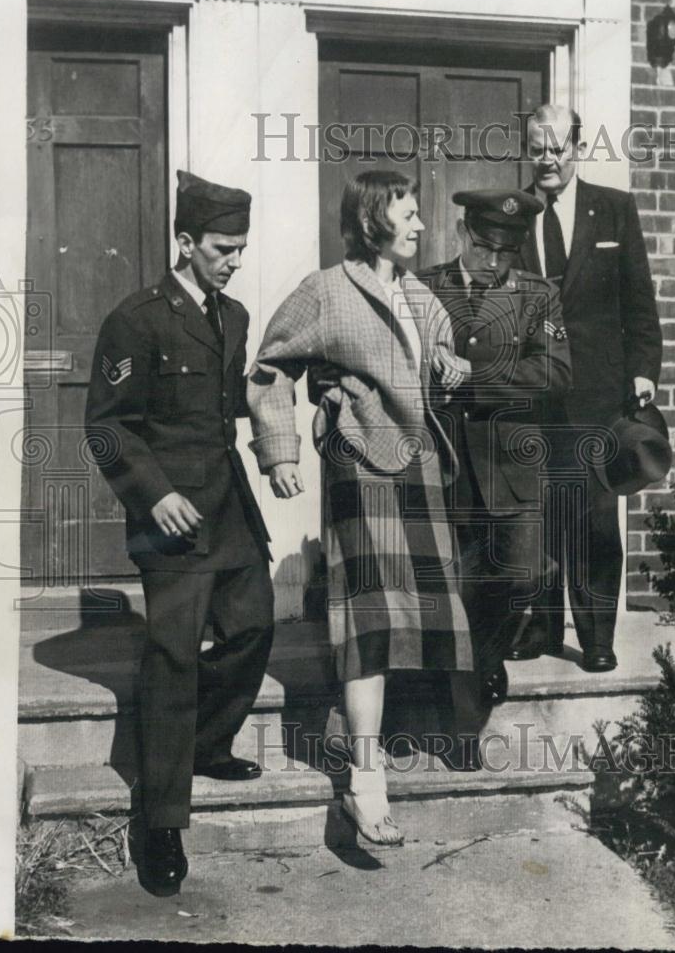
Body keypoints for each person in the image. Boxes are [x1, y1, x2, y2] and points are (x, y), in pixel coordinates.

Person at [246, 170, 472, 845]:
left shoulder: (421, 294)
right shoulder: (325, 290)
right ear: (374, 218)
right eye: (407, 215)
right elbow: (269, 370)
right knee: (368, 617)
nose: (421, 226)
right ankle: (365, 785)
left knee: (413, 617)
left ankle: (361, 745)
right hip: (358, 459)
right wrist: (280, 451)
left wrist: (450, 367)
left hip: (419, 466)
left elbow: (441, 355)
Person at [85, 171, 274, 897]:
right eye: (223, 248)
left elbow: (230, 408)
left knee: (254, 626)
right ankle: (161, 819)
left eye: (241, 249)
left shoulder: (236, 315)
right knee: (171, 657)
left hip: (227, 506)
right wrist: (153, 494)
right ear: (186, 242)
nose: (233, 260)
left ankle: (201, 744)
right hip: (170, 518)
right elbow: (105, 428)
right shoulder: (136, 320)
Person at [513, 104, 662, 672]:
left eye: (557, 147)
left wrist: (644, 369)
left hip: (600, 395)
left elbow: (639, 303)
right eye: (537, 147)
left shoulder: (615, 210)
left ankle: (596, 636)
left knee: (596, 517)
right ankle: (542, 627)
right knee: (542, 512)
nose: (547, 158)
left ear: (577, 148)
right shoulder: (514, 214)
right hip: (532, 394)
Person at [417, 190, 572, 726]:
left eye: (507, 253)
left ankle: (484, 656)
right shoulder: (424, 288)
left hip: (511, 469)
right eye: (484, 247)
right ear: (462, 232)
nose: (494, 262)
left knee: (523, 572)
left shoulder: (540, 296)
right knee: (458, 588)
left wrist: (473, 376)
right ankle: (465, 712)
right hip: (447, 465)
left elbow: (555, 372)